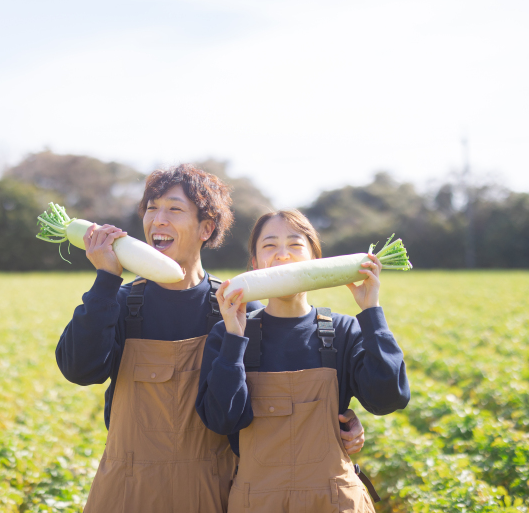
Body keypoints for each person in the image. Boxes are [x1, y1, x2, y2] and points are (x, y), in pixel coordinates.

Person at [57, 165, 366, 513]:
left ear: (206, 228)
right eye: (151, 207)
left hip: (213, 491)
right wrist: (105, 280)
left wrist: (342, 423)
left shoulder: (235, 307)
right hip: (127, 490)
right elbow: (79, 369)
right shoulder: (119, 300)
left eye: (173, 209)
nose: (158, 219)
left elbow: (278, 399)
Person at [196, 209, 410, 512]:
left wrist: (371, 311)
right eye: (269, 246)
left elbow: (389, 398)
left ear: (315, 259)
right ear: (255, 264)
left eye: (295, 245)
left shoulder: (343, 330)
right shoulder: (229, 334)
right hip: (258, 502)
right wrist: (234, 337)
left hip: (334, 501)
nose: (283, 255)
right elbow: (222, 420)